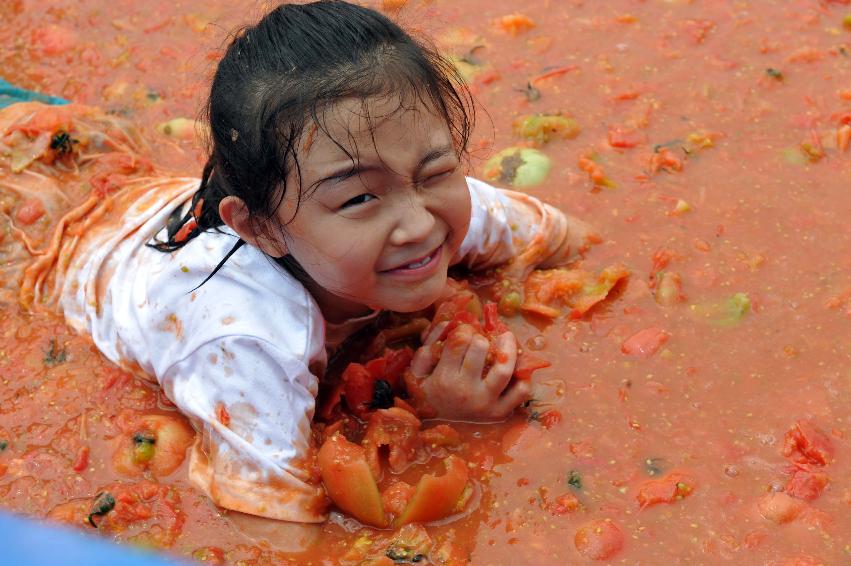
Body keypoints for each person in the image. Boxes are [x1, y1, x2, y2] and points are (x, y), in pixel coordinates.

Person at [1, 0, 591, 522]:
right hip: (27, 242)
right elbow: (272, 523)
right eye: (359, 197)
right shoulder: (246, 340)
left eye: (435, 170)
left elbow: (571, 239)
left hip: (103, 168)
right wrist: (446, 422)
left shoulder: (442, 210)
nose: (419, 225)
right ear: (260, 227)